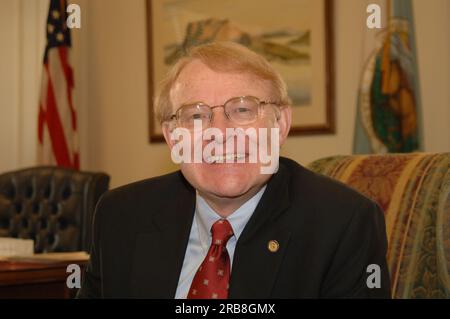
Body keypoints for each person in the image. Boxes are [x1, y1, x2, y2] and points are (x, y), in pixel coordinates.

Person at [77, 41, 390, 298]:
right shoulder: (120, 217)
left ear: (280, 125)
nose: (221, 133)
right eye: (196, 116)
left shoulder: (344, 223)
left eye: (242, 110)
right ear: (173, 138)